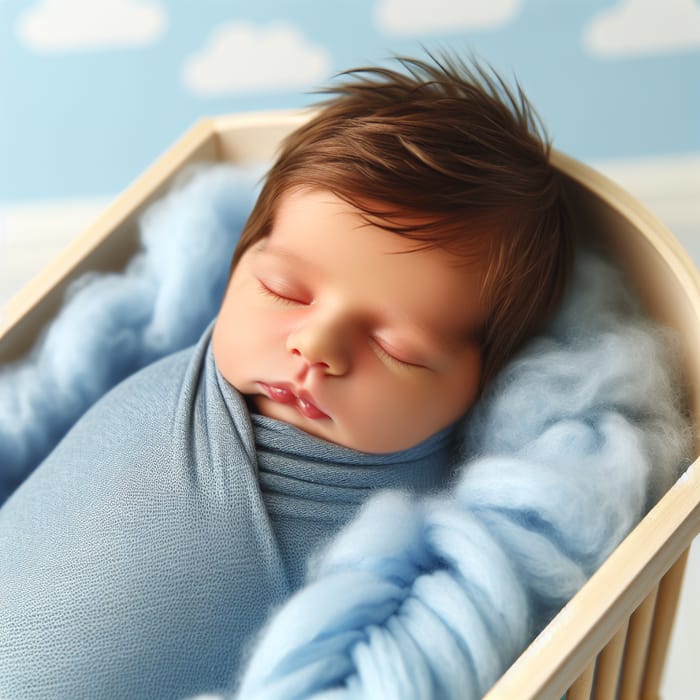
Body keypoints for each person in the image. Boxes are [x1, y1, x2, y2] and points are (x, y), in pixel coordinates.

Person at [0, 54, 572, 698]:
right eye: (283, 290)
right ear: (238, 264)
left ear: (478, 387)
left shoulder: (399, 540)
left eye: (397, 349)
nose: (317, 345)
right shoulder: (189, 361)